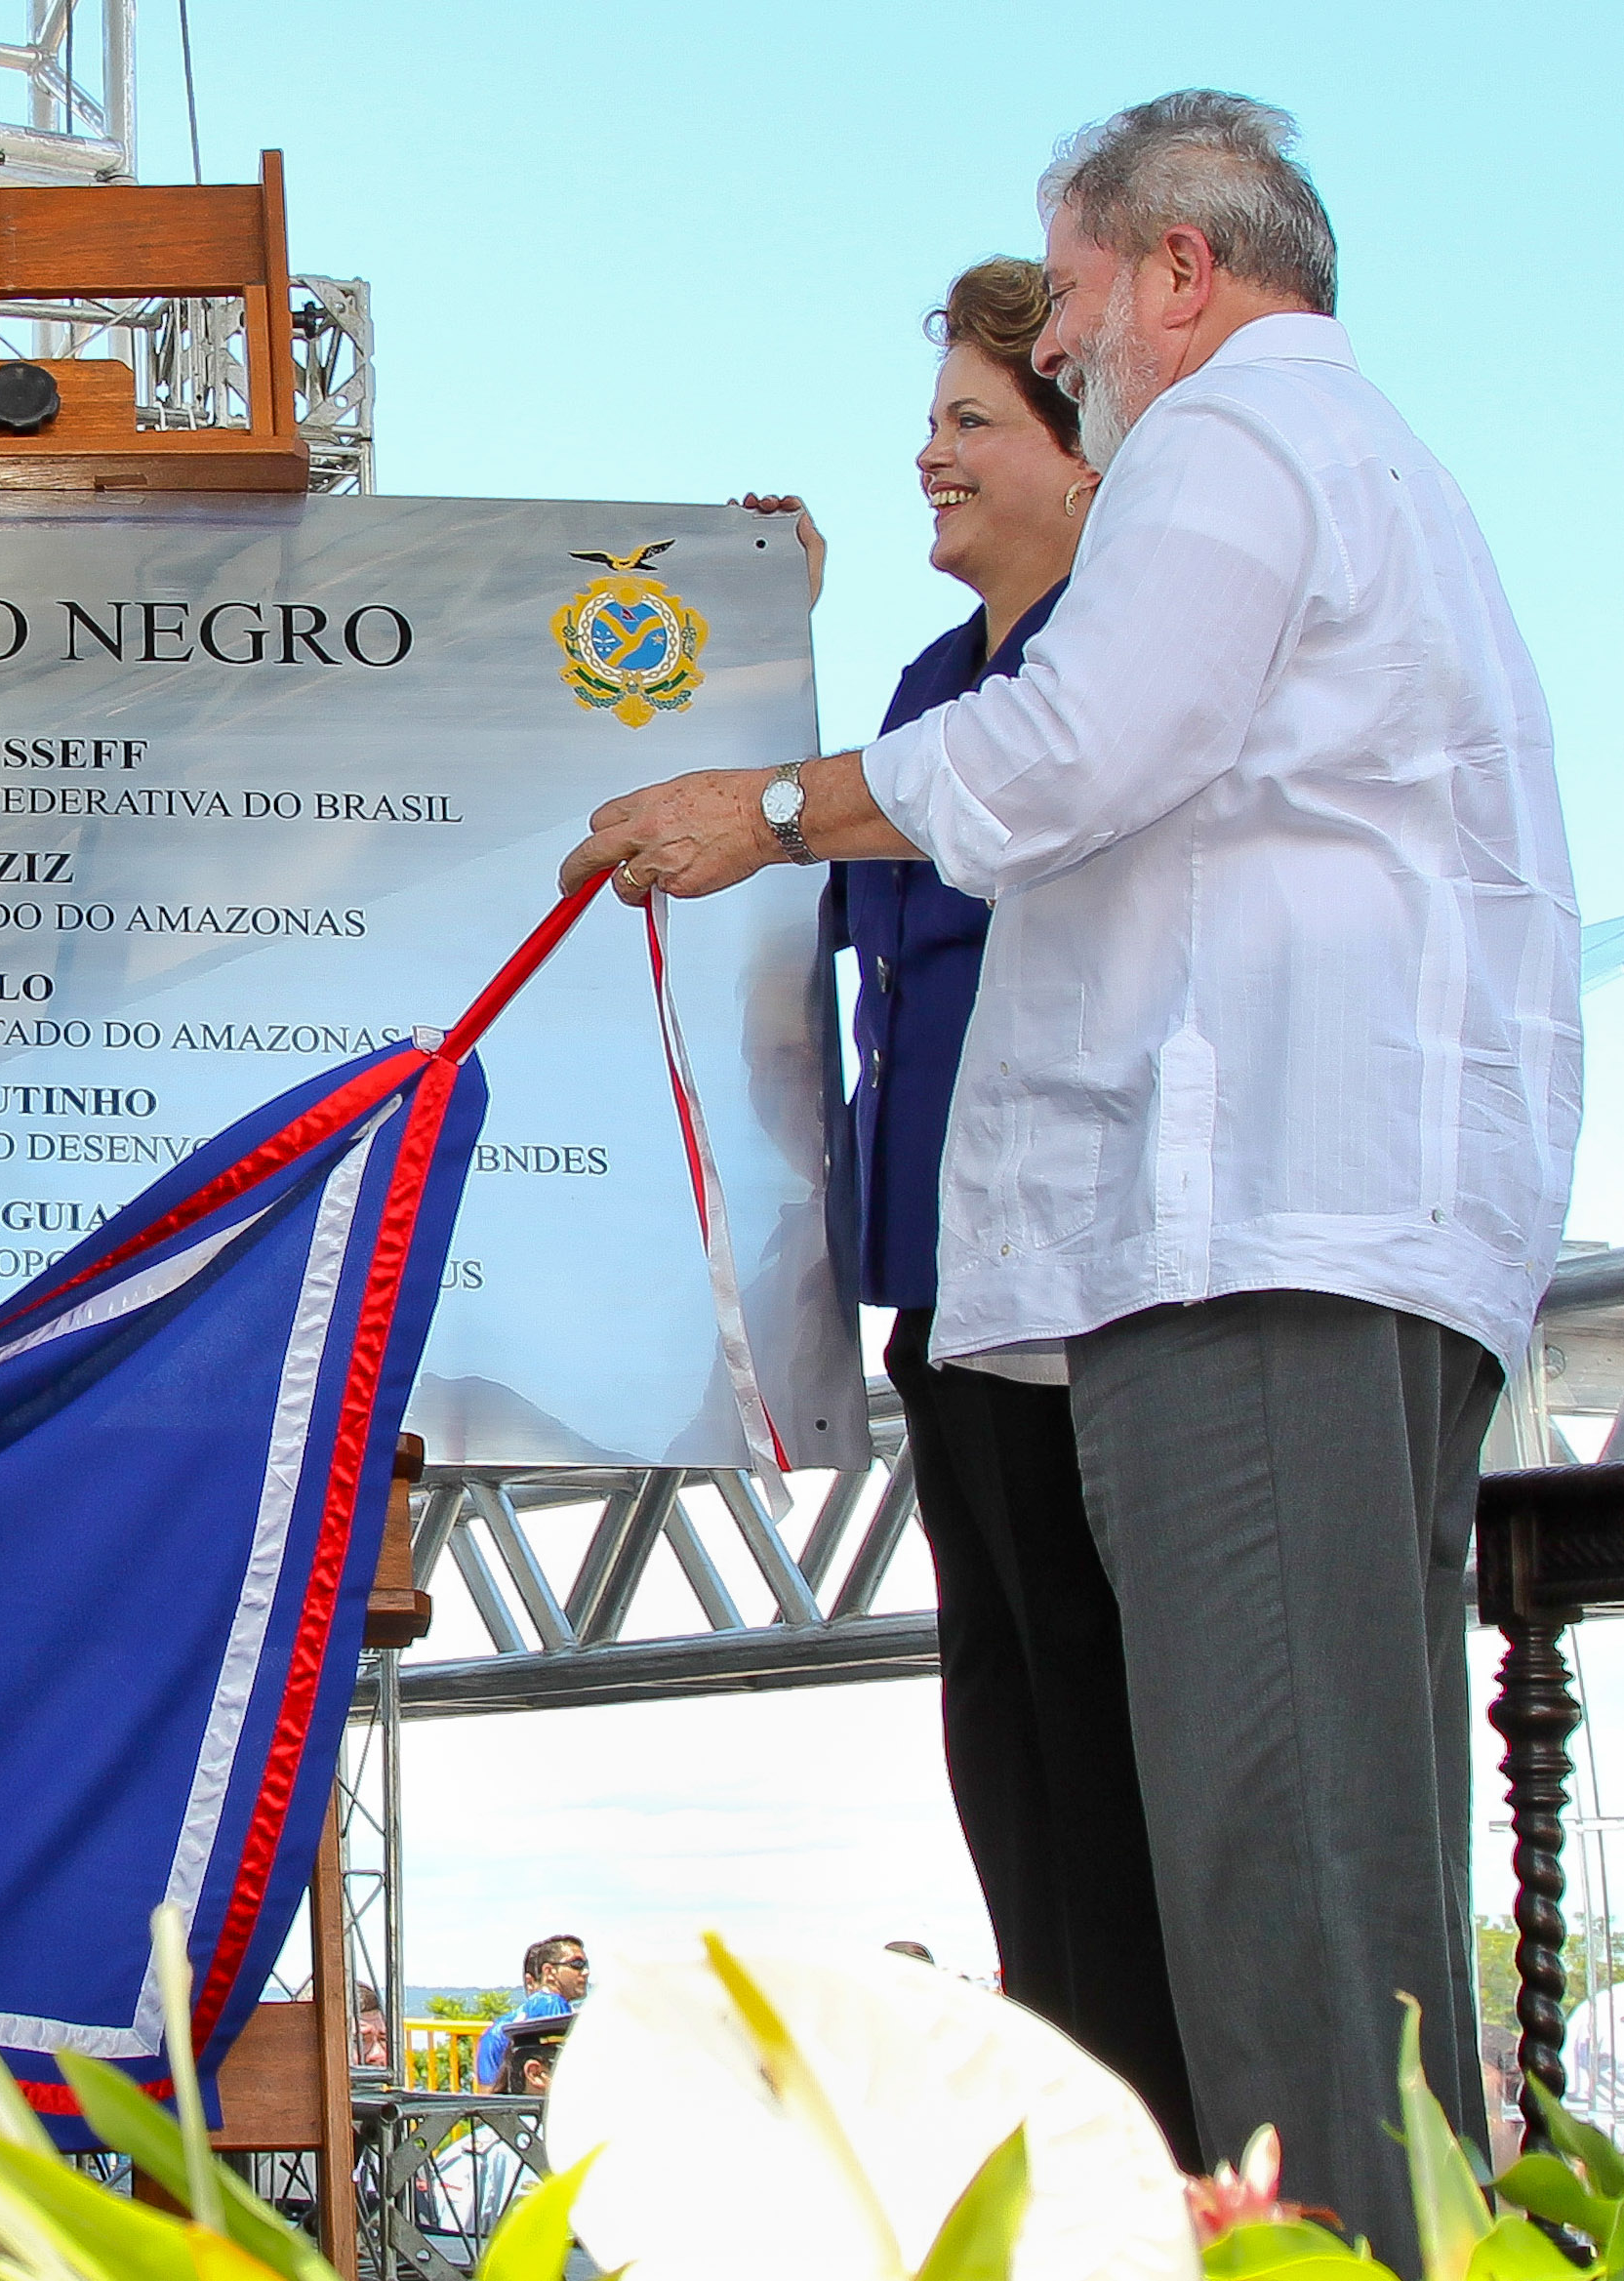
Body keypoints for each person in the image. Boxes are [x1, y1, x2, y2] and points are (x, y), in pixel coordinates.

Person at [562, 92, 1575, 2264]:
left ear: (1178, 273)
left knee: (1274, 1859)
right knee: (1319, 1857)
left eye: (1079, 293)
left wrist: (763, 800)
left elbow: (1070, 747)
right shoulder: (1359, 460)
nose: (1072, 353)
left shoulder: (1223, 443)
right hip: (1323, 1230)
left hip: (1246, 1254)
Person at [802, 257, 1198, 2165]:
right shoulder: (919, 692)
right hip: (948, 1306)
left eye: (971, 421)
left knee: (1106, 1734)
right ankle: (1075, 2111)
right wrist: (744, 633)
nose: (929, 457)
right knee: (1003, 1729)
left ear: (1079, 459)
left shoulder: (1109, 683)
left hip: (1085, 1291)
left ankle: (1164, 2138)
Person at [475, 1934, 586, 2090]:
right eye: (577, 1964)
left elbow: (486, 2095)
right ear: (550, 1971)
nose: (585, 1971)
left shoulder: (494, 2029)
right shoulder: (553, 2004)